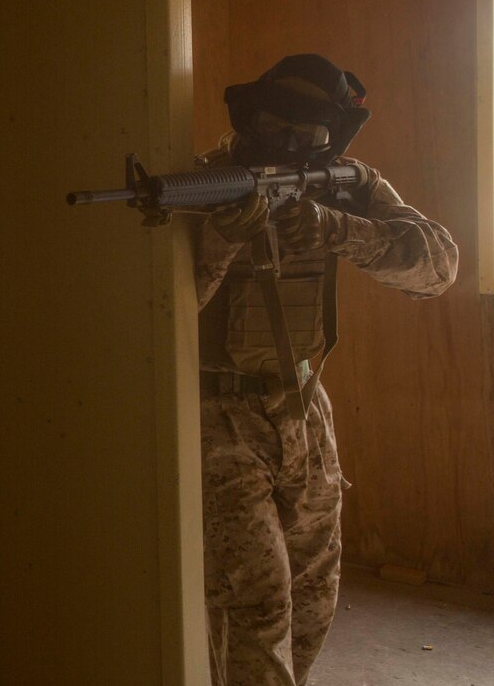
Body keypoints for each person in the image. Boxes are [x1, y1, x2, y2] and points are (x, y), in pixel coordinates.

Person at [195, 54, 458, 686]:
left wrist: (337, 229)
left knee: (314, 595)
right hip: (218, 417)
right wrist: (225, 238)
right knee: (253, 608)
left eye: (304, 135)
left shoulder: (347, 182)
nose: (283, 144)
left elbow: (439, 268)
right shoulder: (205, 182)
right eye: (270, 125)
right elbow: (159, 312)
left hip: (305, 409)